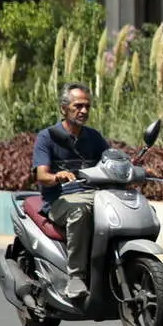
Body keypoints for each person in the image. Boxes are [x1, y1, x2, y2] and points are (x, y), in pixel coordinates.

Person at [31, 82, 110, 300]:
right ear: (64, 108)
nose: (83, 111)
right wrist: (57, 176)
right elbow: (41, 175)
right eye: (78, 106)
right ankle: (76, 277)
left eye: (87, 106)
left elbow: (110, 160)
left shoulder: (94, 137)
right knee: (80, 210)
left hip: (93, 195)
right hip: (59, 200)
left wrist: (135, 168)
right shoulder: (47, 137)